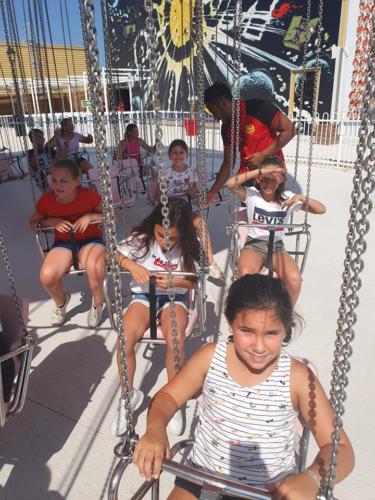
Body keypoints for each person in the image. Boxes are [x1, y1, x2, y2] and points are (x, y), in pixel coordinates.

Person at [133, 274, 355, 499]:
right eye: (247, 331)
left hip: (268, 492)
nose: (259, 347)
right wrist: (155, 429)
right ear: (230, 324)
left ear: (285, 329)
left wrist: (312, 478)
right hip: (202, 477)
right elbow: (168, 397)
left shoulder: (297, 377)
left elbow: (341, 450)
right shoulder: (211, 358)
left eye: (271, 333)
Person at [111, 198, 200, 437]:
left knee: (175, 339)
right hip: (144, 297)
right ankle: (127, 396)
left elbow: (194, 280)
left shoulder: (190, 244)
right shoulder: (142, 238)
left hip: (173, 298)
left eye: (172, 237)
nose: (166, 241)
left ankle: (174, 398)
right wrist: (132, 266)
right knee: (124, 340)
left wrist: (174, 280)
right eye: (161, 235)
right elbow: (114, 255)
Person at [227, 156, 325, 305]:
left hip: (277, 247)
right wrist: (259, 171)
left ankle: (286, 314)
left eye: (273, 179)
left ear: (281, 180)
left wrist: (301, 198)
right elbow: (229, 184)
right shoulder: (252, 194)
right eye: (265, 178)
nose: (268, 183)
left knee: (294, 279)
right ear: (259, 179)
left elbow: (321, 210)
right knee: (245, 275)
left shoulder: (288, 198)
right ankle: (250, 310)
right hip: (255, 245)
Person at [29, 159, 106, 328]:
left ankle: (98, 304)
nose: (57, 185)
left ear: (77, 181)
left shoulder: (89, 196)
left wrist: (91, 217)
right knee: (47, 276)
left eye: (63, 181)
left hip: (90, 239)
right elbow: (33, 224)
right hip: (64, 243)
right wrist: (51, 221)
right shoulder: (46, 200)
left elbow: (112, 216)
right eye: (54, 180)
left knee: (95, 267)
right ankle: (61, 302)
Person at [204, 82, 295, 204]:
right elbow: (228, 162)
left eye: (214, 111)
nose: (215, 117)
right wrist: (213, 191)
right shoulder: (226, 128)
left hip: (271, 176)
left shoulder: (258, 107)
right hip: (247, 179)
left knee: (271, 215)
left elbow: (290, 129)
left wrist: (263, 155)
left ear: (223, 103)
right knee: (250, 218)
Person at [155, 139, 224, 280]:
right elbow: (157, 195)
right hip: (169, 210)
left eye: (181, 152)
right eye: (174, 153)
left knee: (201, 223)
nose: (178, 156)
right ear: (169, 156)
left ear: (186, 155)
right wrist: (164, 196)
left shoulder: (192, 172)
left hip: (185, 209)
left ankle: (211, 262)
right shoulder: (165, 173)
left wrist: (195, 191)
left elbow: (196, 193)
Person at [116, 123, 156, 191]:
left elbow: (151, 150)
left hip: (140, 166)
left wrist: (156, 144)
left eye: (137, 131)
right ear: (129, 132)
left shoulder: (139, 141)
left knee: (154, 172)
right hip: (129, 168)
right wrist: (125, 158)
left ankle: (154, 189)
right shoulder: (124, 143)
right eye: (135, 131)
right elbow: (117, 156)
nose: (138, 133)